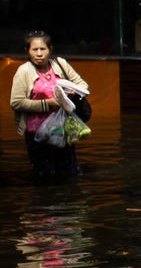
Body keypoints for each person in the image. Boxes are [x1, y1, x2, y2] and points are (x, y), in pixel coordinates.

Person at [9, 31, 89, 178]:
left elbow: (82, 84)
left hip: (62, 129)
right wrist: (48, 104)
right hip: (36, 133)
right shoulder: (23, 71)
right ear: (27, 51)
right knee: (45, 176)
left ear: (50, 49)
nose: (39, 54)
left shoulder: (60, 64)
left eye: (43, 49)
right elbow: (16, 102)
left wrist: (73, 92)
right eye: (34, 49)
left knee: (70, 173)